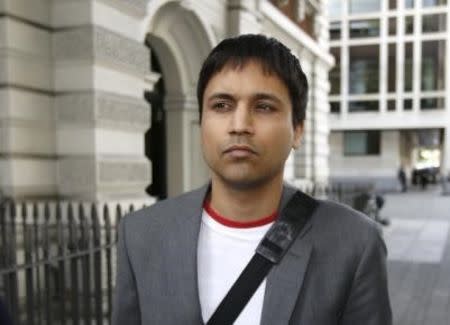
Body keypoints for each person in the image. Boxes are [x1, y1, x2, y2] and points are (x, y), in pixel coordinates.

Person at [112, 34, 392, 324]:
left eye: (264, 107)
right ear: (201, 123)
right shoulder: (141, 235)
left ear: (297, 130)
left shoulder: (354, 243)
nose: (240, 126)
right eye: (221, 105)